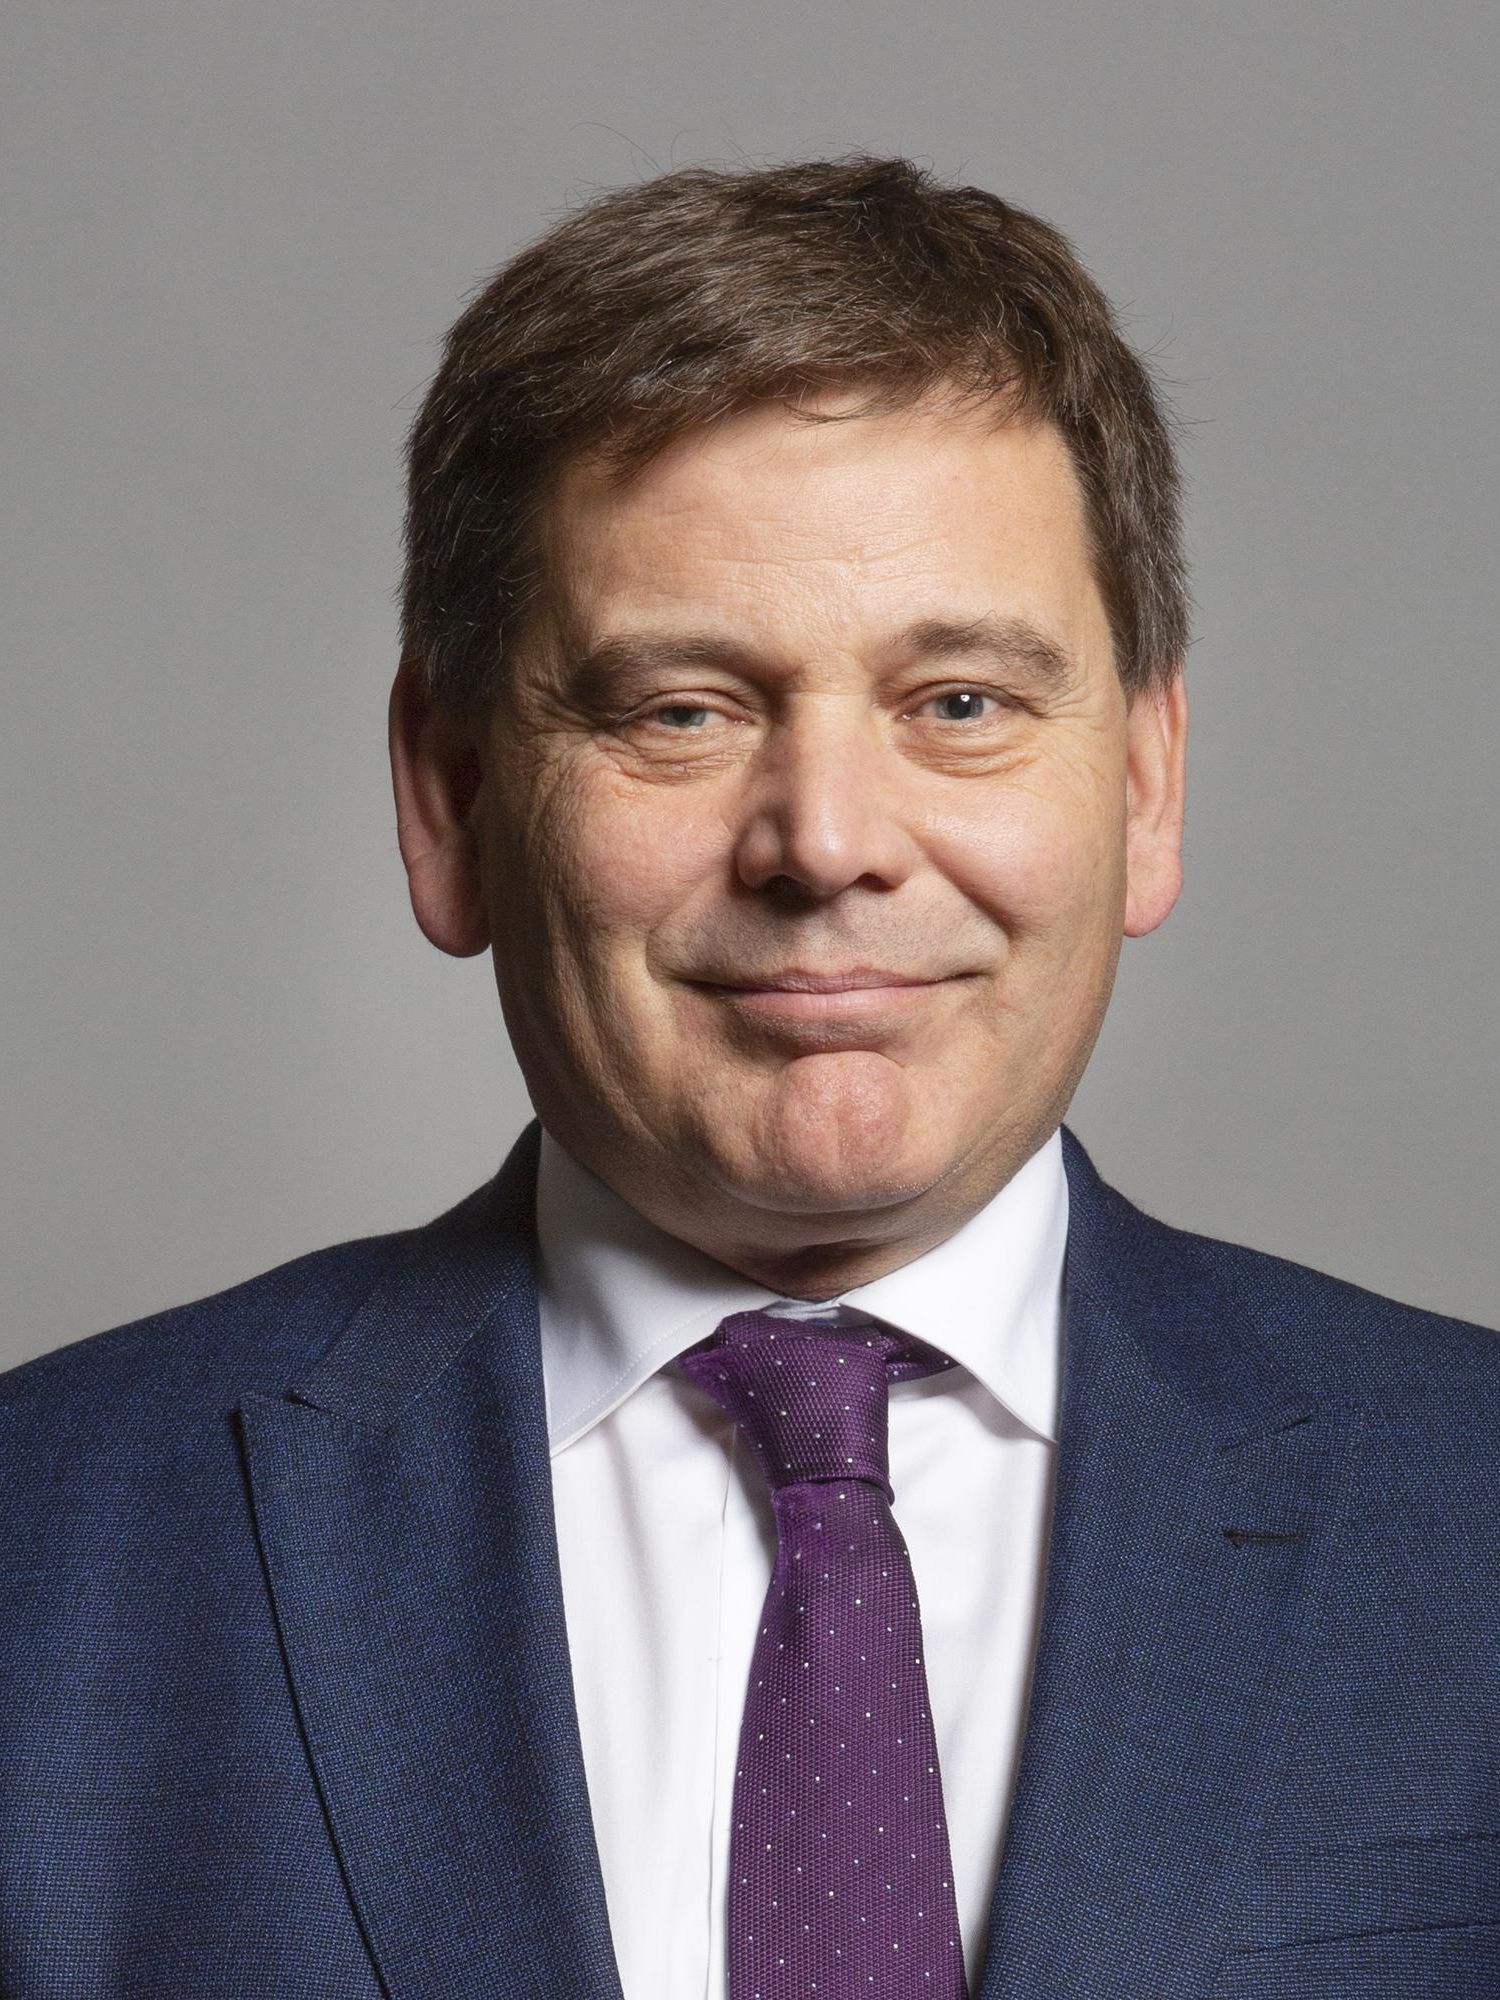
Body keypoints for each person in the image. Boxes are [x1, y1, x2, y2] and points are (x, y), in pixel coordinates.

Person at [2, 157, 1496, 2000]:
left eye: (961, 701)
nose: (829, 843)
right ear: (452, 800)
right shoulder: (39, 1556)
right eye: (681, 711)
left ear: (1145, 781)